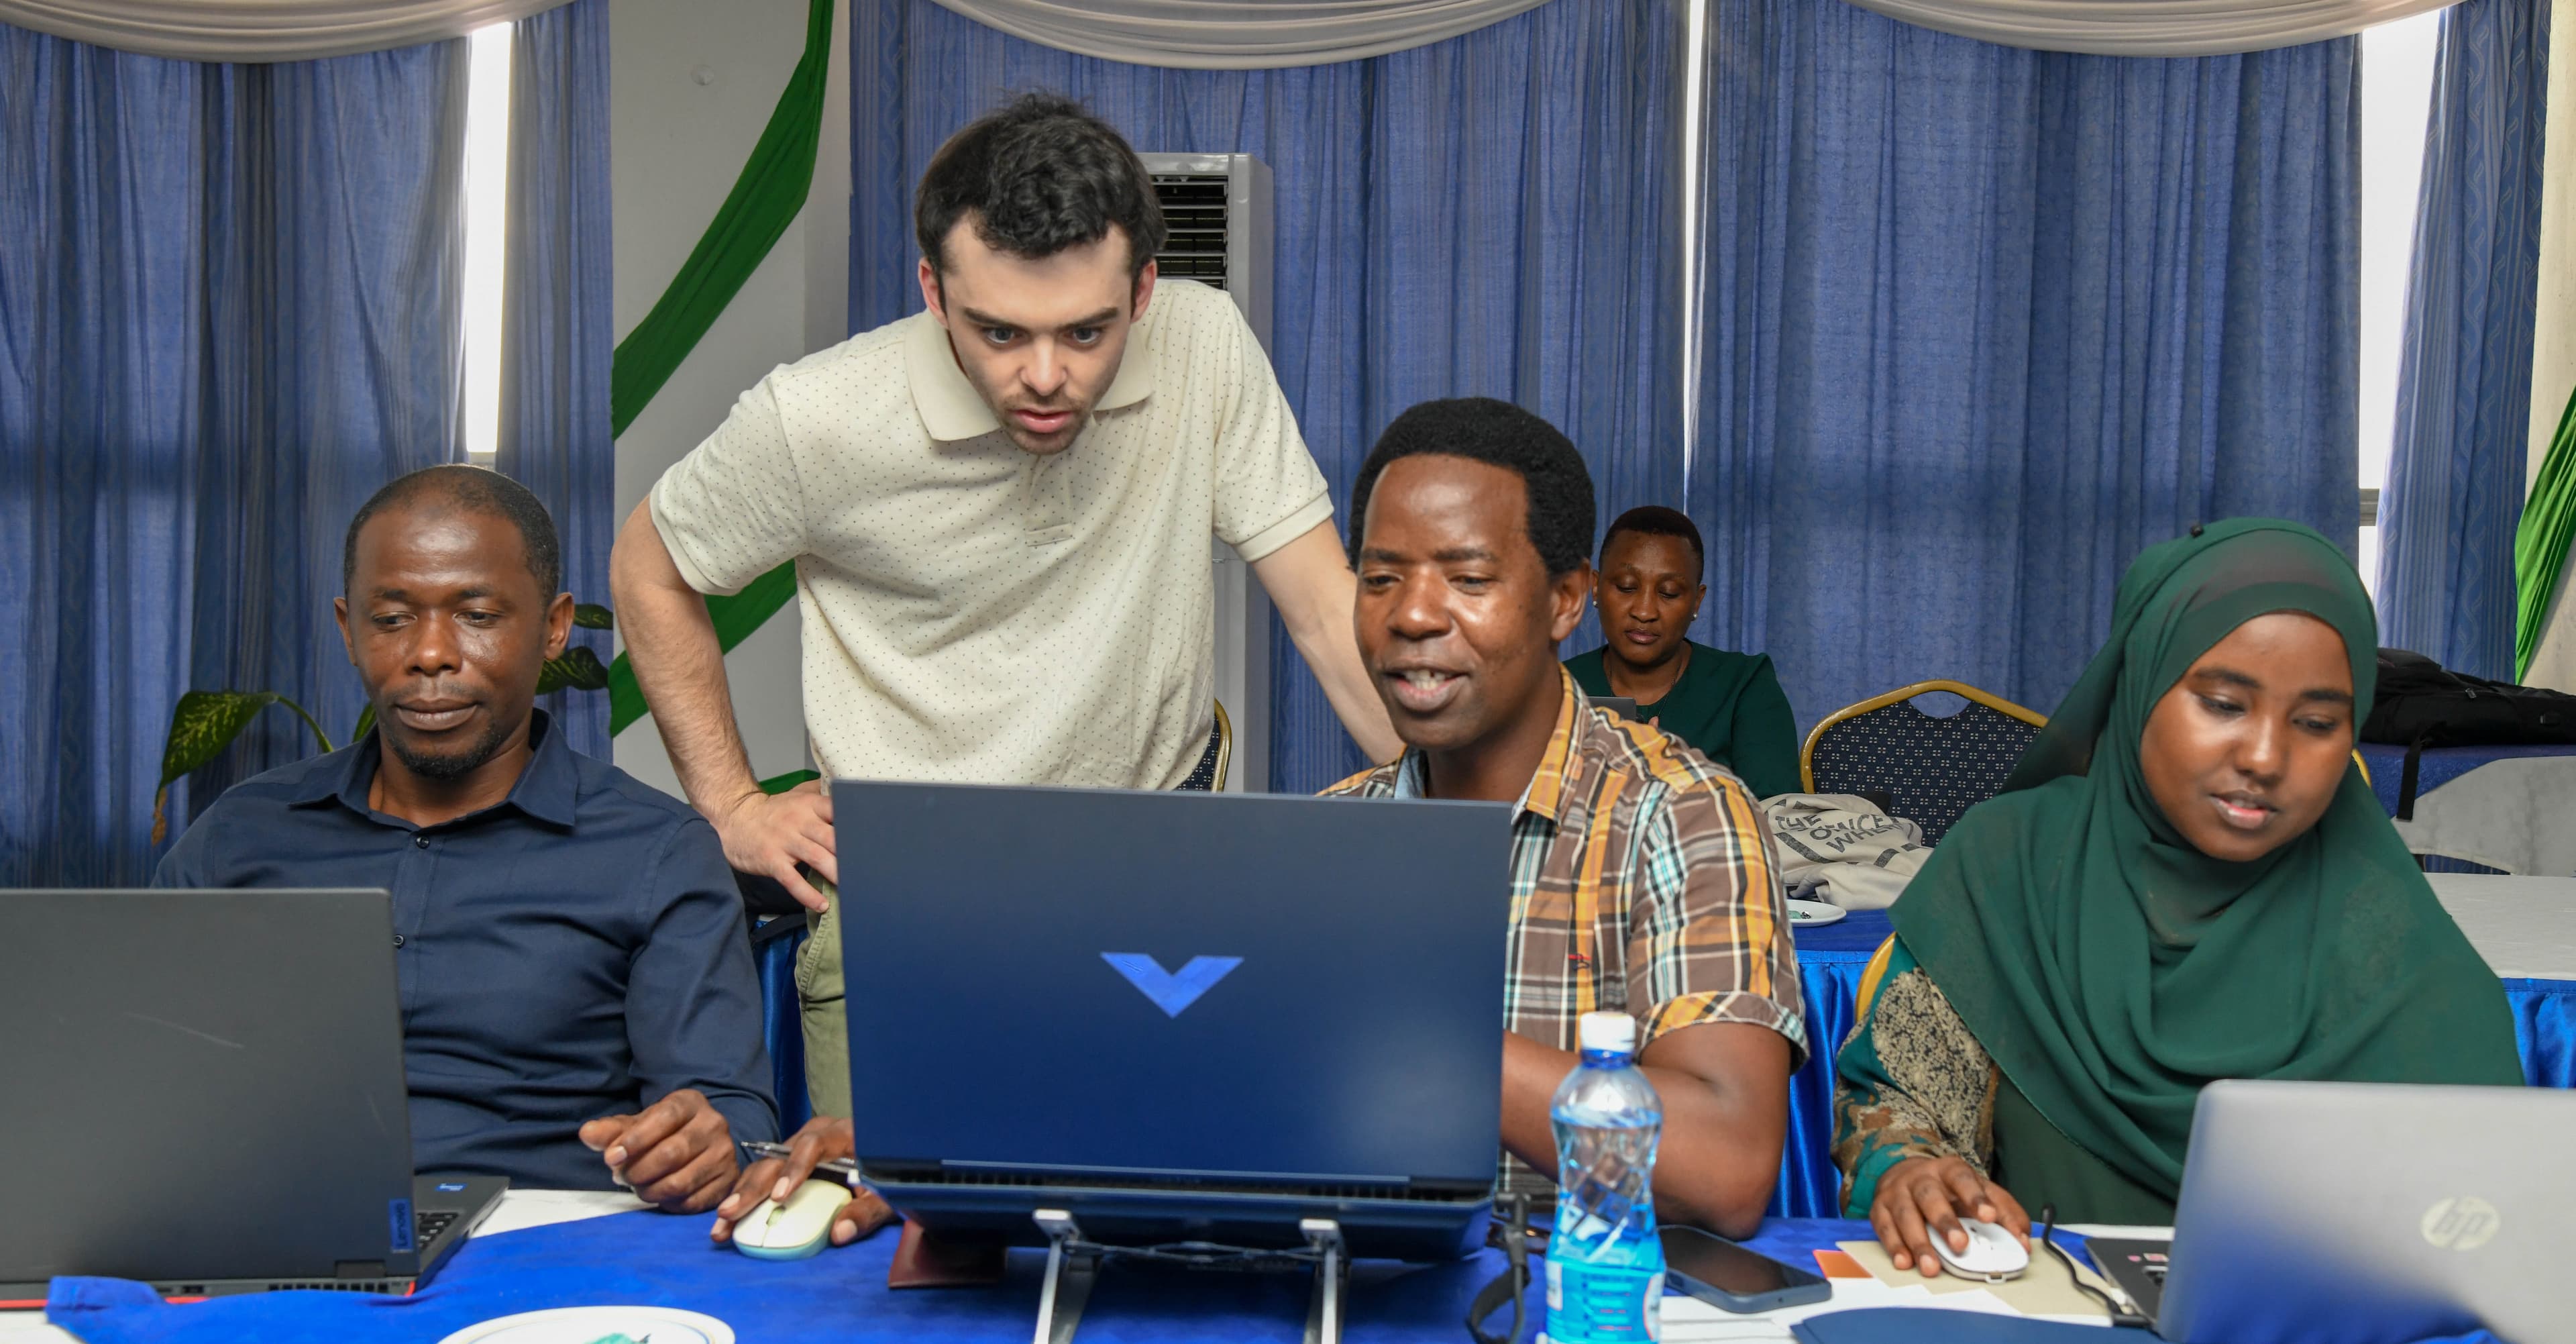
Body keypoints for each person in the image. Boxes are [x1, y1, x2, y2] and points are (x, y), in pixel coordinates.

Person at [610, 93, 1400, 1247]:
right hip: (912, 900)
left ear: (1142, 293)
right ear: (933, 292)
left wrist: (1492, 824)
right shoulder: (816, 418)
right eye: (998, 332)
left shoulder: (1203, 342)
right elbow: (650, 565)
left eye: (1086, 332)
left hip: (1160, 875)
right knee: (894, 1253)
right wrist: (730, 803)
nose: (1046, 375)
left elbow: (1332, 620)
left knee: (1175, 1243)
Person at [1832, 519, 2524, 1271]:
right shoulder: (2013, 863)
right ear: (2138, 688)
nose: (2265, 756)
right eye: (2225, 703)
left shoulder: (2390, 930)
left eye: (2318, 722)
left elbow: (2486, 1213)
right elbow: (1904, 1097)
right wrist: (1912, 1171)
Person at [156, 466, 777, 1210]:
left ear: (553, 627)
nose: (430, 654)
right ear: (347, 629)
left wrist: (701, 1147)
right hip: (270, 1232)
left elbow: (731, 1120)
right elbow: (130, 1065)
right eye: (390, 619)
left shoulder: (656, 851)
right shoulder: (240, 834)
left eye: (477, 615)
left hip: (541, 1247)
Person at [1321, 398, 1807, 1236]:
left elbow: (1724, 1164)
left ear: (1565, 600)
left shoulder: (1685, 814)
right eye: (1380, 577)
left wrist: (1415, 1043)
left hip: (1588, 1306)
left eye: (1469, 579)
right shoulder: (1329, 836)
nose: (1412, 614)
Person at [1564, 506, 1801, 800]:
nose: (1645, 611)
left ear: (1697, 601)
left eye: (1669, 593)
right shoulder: (1555, 690)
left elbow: (1777, 818)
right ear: (1596, 587)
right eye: (1627, 588)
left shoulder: (1745, 685)